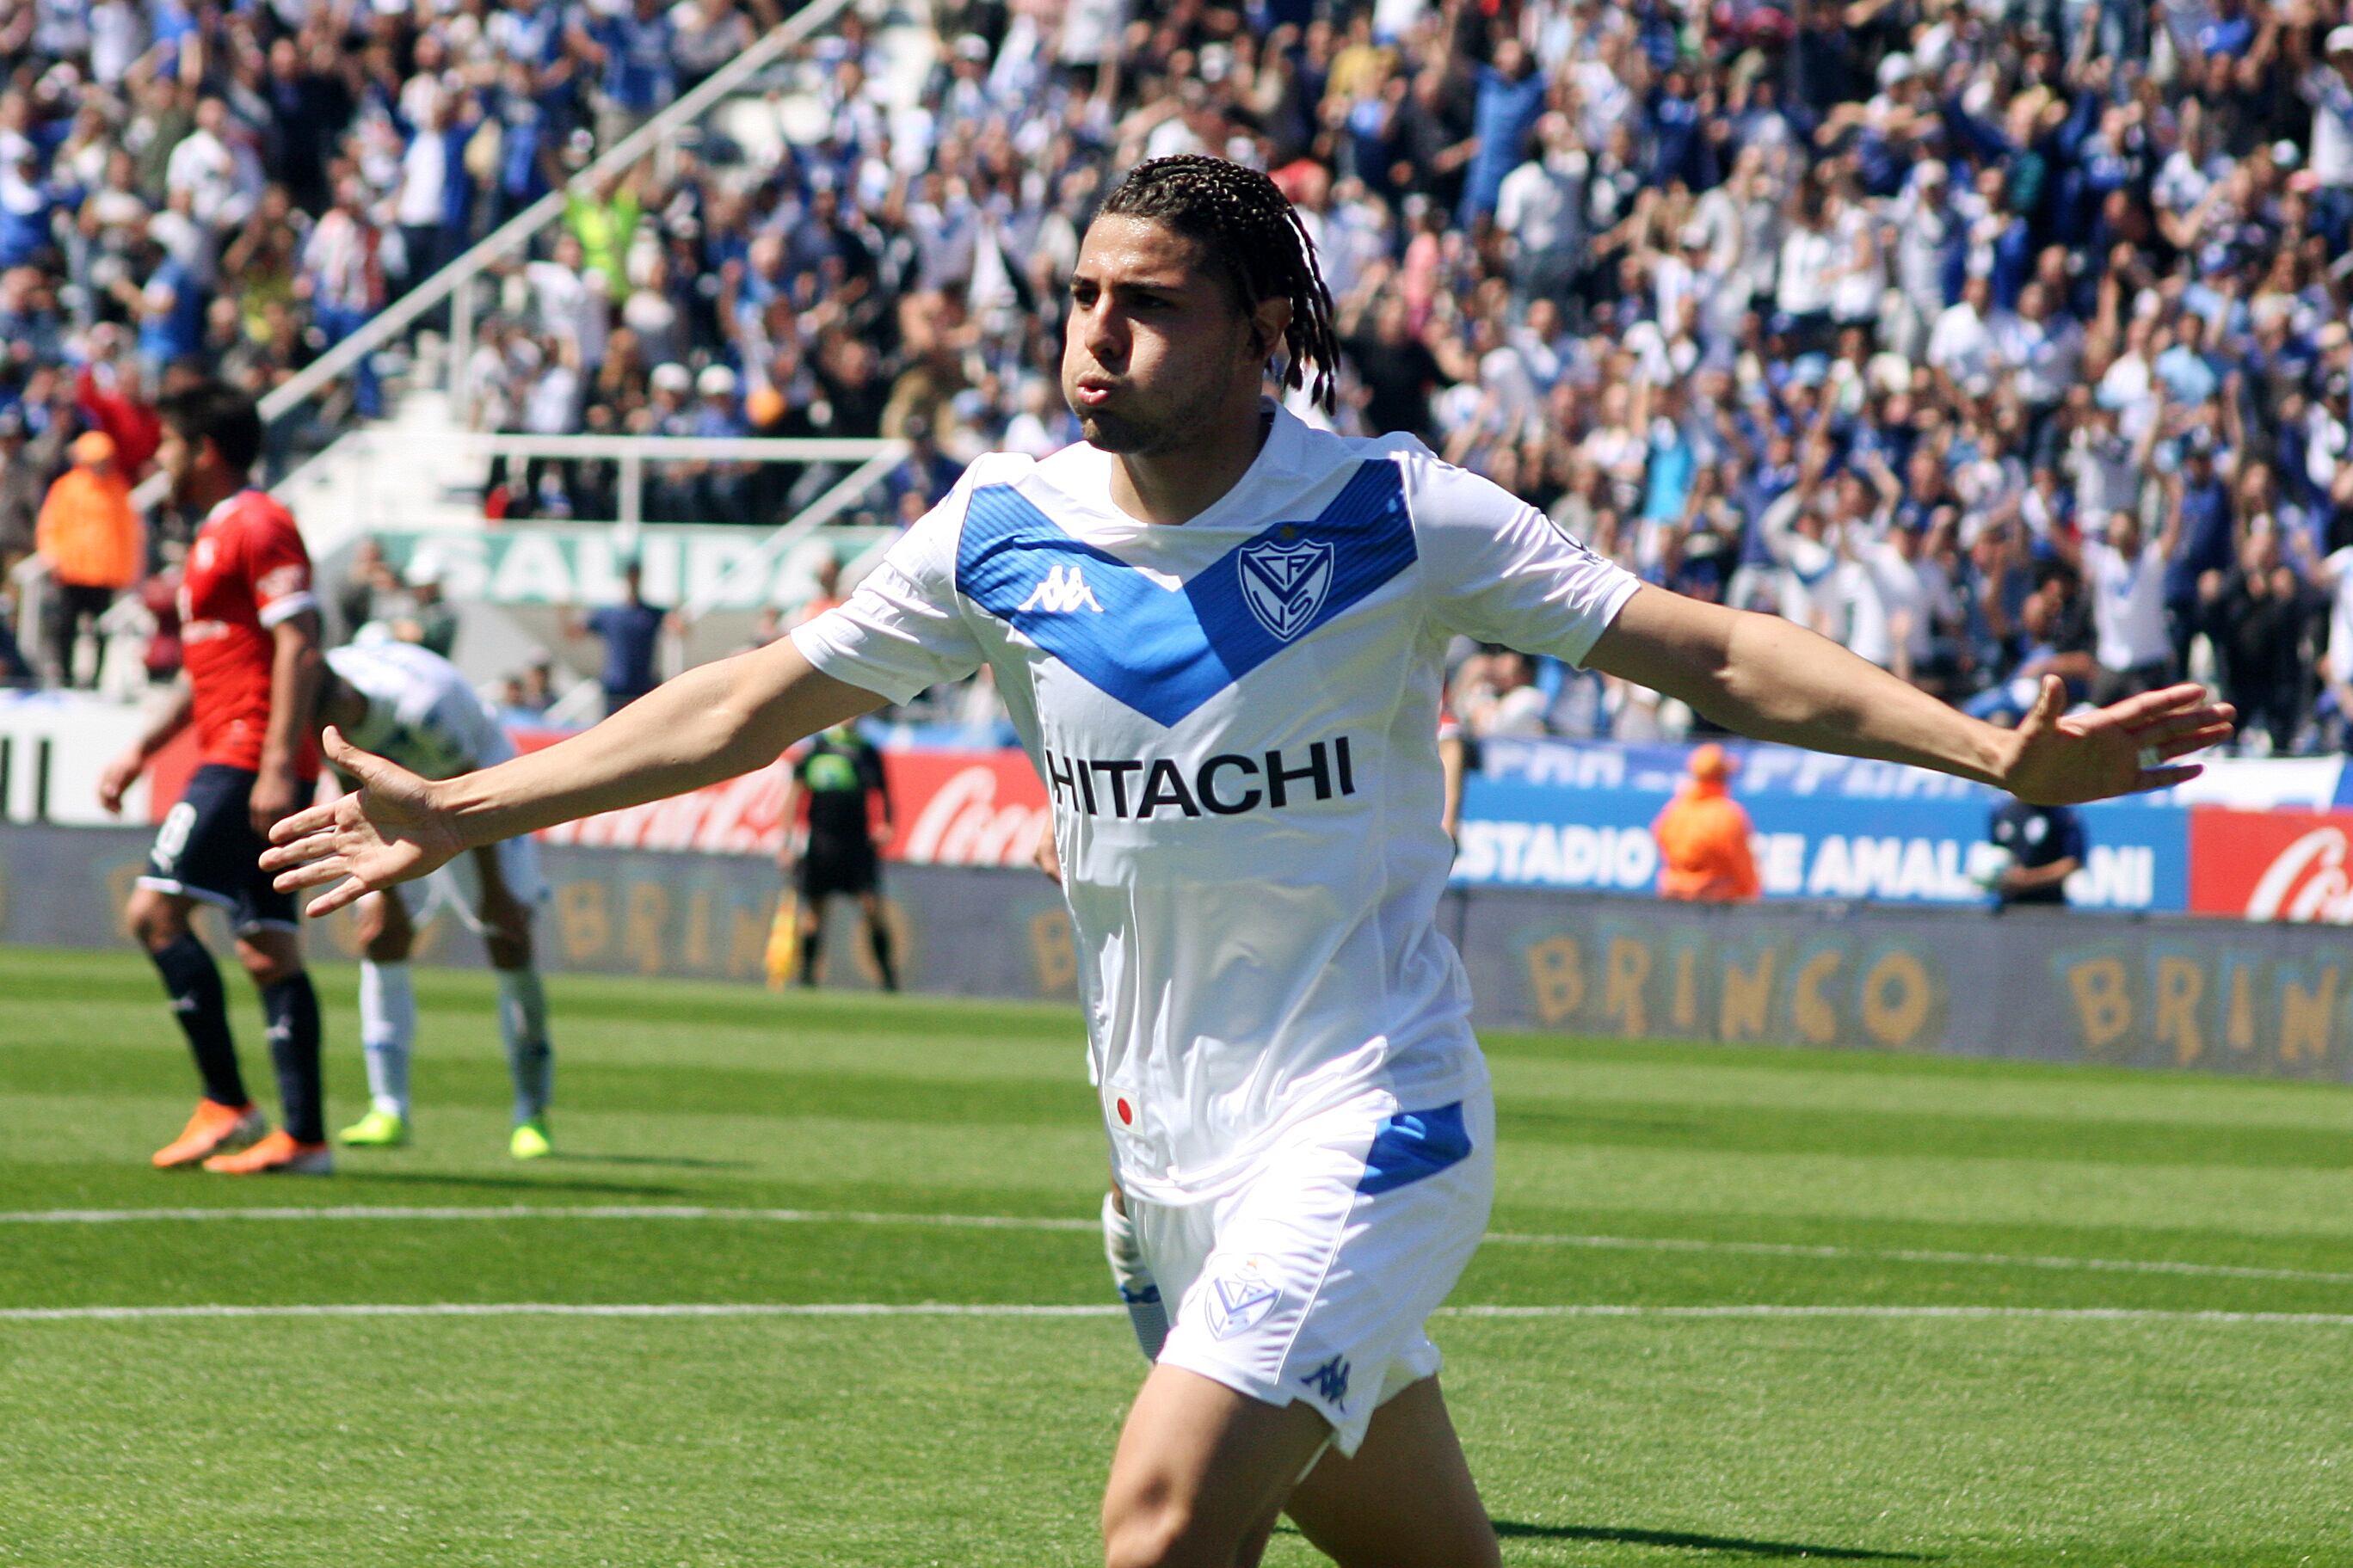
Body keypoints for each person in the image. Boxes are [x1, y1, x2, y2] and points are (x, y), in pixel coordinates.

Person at [264, 157, 2232, 1568]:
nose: (1092, 334)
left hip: (1367, 1127)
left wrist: (1991, 750)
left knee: (1154, 1522)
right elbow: (749, 702)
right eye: (1076, 296)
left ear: (1260, 332)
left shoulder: (1391, 515)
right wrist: (479, 801)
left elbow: (1697, 644)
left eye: (1144, 302)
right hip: (1157, 1173)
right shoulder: (997, 531)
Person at [100, 381, 330, 1175]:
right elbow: (209, 669)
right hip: (232, 750)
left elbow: (301, 643)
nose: (157, 456)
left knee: (154, 913)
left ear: (203, 450)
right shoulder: (213, 535)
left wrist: (276, 764)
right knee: (266, 947)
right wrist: (140, 749)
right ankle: (303, 1138)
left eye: (166, 442)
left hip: (245, 759)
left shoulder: (260, 523)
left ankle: (228, 1102)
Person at [317, 634, 557, 1159]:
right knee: (381, 934)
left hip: (478, 783)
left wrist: (494, 894)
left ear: (349, 698)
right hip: (393, 793)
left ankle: (530, 1114)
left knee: (508, 936)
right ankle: (389, 1109)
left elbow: (463, 795)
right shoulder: (318, 692)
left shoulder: (422, 708)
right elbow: (343, 776)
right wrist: (380, 888)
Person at [777, 721, 897, 989]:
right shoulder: (816, 750)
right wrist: (786, 843)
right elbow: (794, 797)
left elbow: (885, 793)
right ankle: (808, 976)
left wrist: (887, 824)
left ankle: (887, 977)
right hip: (821, 843)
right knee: (815, 912)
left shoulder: (868, 751)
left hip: (857, 843)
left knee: (872, 909)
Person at [34, 430, 140, 686]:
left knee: (101, 630)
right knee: (66, 627)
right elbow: (50, 524)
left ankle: (95, 679)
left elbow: (128, 533)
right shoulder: (67, 487)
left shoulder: (118, 489)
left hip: (105, 573)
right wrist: (51, 556)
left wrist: (129, 571)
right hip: (72, 570)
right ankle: (66, 676)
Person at [1652, 743, 1761, 901]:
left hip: (1674, 901)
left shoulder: (1674, 810)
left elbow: (1660, 840)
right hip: (1715, 908)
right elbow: (1744, 871)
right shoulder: (1726, 814)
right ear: (1722, 776)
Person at [563, 557, 665, 711]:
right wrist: (564, 614)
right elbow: (574, 634)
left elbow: (679, 628)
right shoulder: (610, 615)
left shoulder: (652, 613)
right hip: (616, 687)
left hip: (643, 687)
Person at [1984, 795, 2086, 907]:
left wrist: (2028, 879)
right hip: (2008, 907)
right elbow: (1997, 854)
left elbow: (2071, 863)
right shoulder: (2002, 812)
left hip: (2049, 908)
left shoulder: (2062, 815)